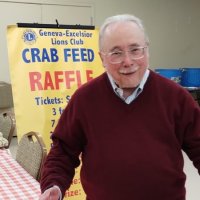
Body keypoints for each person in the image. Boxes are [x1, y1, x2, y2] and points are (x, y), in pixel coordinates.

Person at [39, 14, 200, 200]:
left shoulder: (176, 97)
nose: (128, 61)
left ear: (147, 50)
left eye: (135, 50)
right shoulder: (85, 99)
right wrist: (54, 186)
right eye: (116, 53)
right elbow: (63, 152)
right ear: (102, 58)